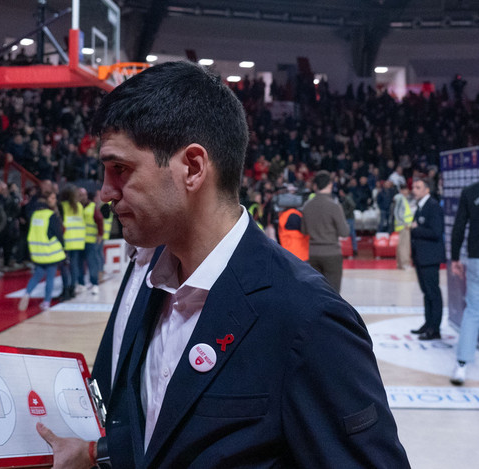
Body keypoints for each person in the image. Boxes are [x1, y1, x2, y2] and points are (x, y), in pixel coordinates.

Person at [36, 61, 409, 468]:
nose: (106, 192)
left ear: (193, 168)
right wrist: (95, 454)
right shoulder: (151, 284)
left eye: (120, 169)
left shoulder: (307, 317)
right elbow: (159, 437)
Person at [449, 180, 479, 384]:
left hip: (476, 258)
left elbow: (459, 226)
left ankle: (461, 365)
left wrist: (455, 257)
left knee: (473, 310)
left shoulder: (470, 191)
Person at [301, 170, 350, 292]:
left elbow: (304, 231)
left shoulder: (307, 206)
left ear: (315, 186)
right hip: (331, 253)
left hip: (313, 253)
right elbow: (344, 232)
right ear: (330, 185)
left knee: (316, 292)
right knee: (333, 293)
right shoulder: (334, 206)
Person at [410, 178, 445, 340]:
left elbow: (436, 232)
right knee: (426, 292)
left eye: (418, 187)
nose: (414, 190)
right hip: (421, 257)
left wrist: (416, 230)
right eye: (413, 187)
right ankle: (428, 323)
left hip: (430, 257)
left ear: (426, 190)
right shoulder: (421, 206)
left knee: (433, 292)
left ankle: (435, 329)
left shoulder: (433, 206)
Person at [18, 191, 65, 312]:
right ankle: (46, 302)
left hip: (37, 253)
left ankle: (27, 293)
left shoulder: (34, 216)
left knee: (37, 275)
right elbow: (58, 233)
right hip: (50, 252)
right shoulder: (50, 215)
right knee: (50, 277)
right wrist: (63, 246)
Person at [393, 184, 413, 270]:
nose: (406, 192)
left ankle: (400, 264)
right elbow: (397, 212)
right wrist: (405, 223)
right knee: (404, 246)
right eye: (404, 190)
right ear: (401, 191)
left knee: (401, 245)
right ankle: (405, 264)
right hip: (404, 226)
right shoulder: (401, 199)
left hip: (403, 225)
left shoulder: (402, 199)